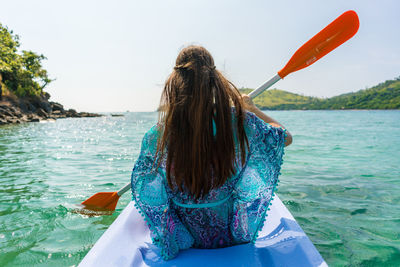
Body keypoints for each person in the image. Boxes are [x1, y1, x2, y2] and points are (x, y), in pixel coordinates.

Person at [131, 45, 292, 260]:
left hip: (184, 237)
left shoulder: (159, 134)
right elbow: (285, 137)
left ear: (176, 83)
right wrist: (252, 109)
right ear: (214, 81)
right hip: (229, 235)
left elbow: (147, 186)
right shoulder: (238, 120)